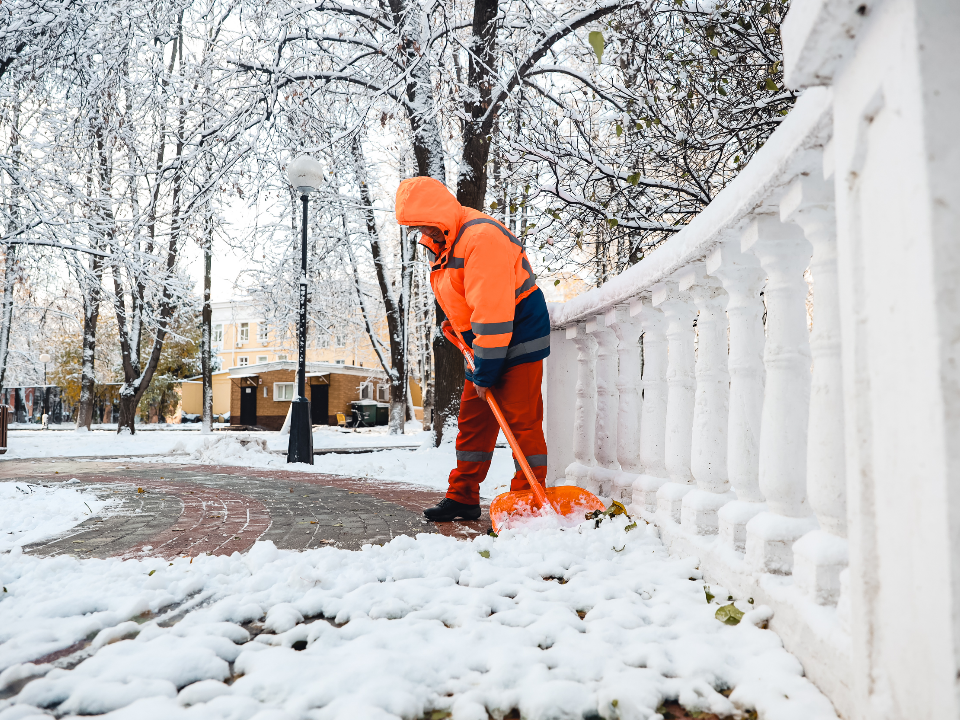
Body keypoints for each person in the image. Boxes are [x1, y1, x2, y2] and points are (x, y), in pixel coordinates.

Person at [395, 176, 551, 522]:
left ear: (439, 213)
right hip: (481, 341)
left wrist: (486, 370)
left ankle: (528, 500)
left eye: (425, 224)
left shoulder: (480, 238)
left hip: (517, 331)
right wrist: (457, 325)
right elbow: (467, 298)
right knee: (473, 423)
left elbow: (493, 312)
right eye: (416, 227)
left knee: (520, 421)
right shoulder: (446, 242)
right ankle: (463, 497)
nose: (424, 232)